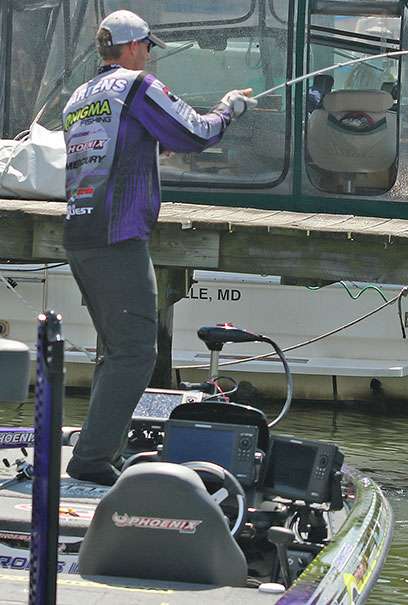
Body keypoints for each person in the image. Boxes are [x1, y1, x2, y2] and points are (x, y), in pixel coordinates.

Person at [62, 9, 256, 485]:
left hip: (81, 235)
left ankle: (99, 449)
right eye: (148, 46)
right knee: (134, 353)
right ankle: (91, 459)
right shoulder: (137, 86)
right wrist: (229, 107)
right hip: (118, 237)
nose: (150, 55)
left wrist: (154, 145)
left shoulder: (79, 98)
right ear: (131, 48)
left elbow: (120, 146)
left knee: (116, 351)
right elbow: (196, 132)